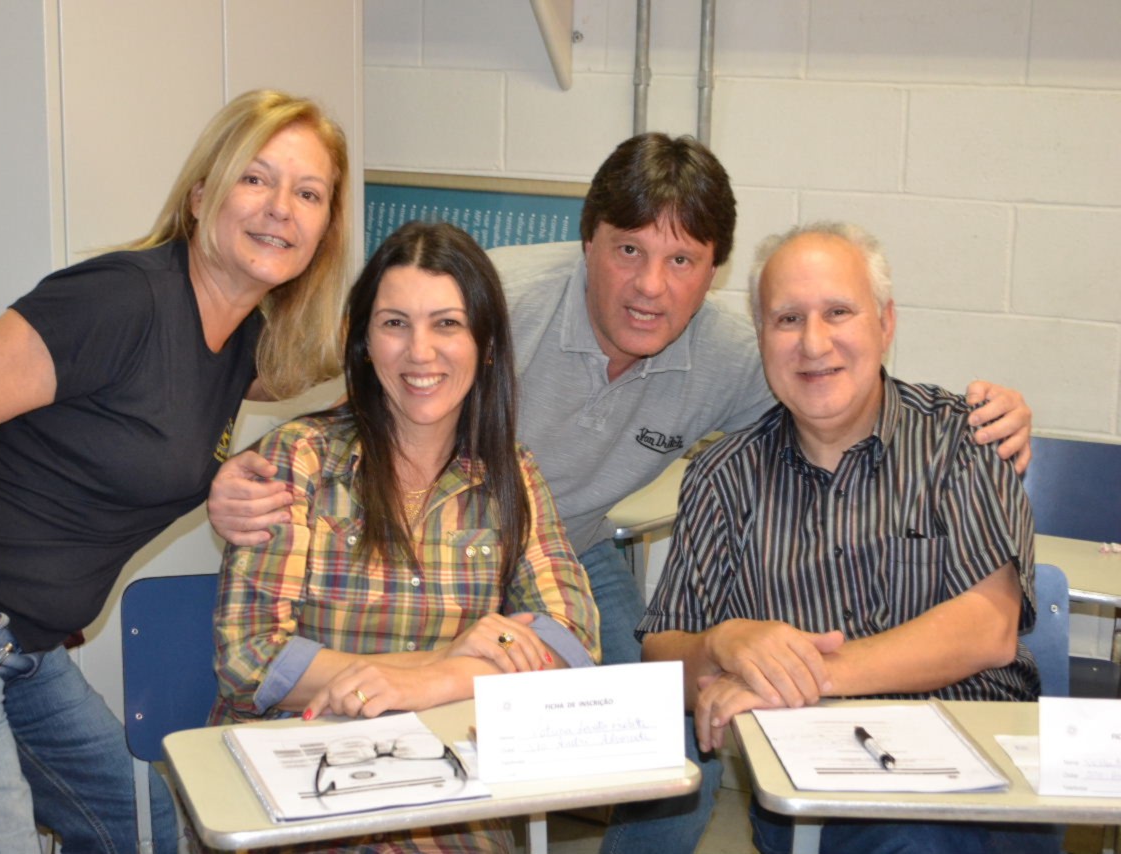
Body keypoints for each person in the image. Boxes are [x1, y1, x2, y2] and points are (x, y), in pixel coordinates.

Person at [207, 133, 1035, 853]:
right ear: (587, 243)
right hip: (421, 539)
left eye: (682, 261)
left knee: (664, 733)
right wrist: (222, 473)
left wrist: (986, 417)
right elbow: (332, 383)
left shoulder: (746, 352)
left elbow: (838, 385)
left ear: (712, 272)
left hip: (554, 538)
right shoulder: (481, 304)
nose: (650, 286)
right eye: (628, 250)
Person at [0, 89, 349, 853]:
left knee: (140, 830)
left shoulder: (244, 345)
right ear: (201, 195)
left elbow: (344, 361)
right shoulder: (123, 298)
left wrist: (430, 327)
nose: (281, 207)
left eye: (308, 194)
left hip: (21, 641)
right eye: (256, 178)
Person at [639, 222, 1062, 854]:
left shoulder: (964, 440)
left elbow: (988, 628)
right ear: (761, 337)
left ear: (886, 324)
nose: (814, 343)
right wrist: (720, 644)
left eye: (838, 312)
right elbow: (661, 656)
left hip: (979, 778)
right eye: (787, 319)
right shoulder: (722, 476)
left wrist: (798, 677)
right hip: (812, 781)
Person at [211, 220, 599, 853]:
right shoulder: (299, 459)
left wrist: (433, 685)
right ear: (365, 342)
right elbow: (250, 660)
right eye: (395, 323)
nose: (420, 352)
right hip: (300, 780)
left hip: (451, 797)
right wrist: (448, 662)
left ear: (486, 345)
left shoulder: (512, 475)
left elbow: (573, 645)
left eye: (447, 324)